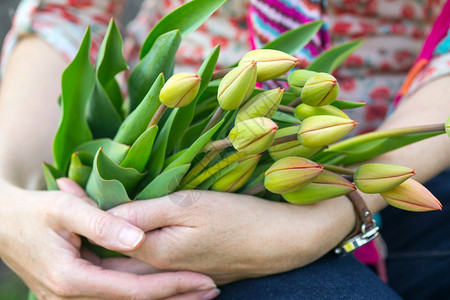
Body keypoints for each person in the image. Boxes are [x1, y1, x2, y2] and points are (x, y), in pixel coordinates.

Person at [0, 0, 449, 299]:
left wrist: (324, 221)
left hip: (402, 165)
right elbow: (69, 16)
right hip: (179, 175)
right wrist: (9, 199)